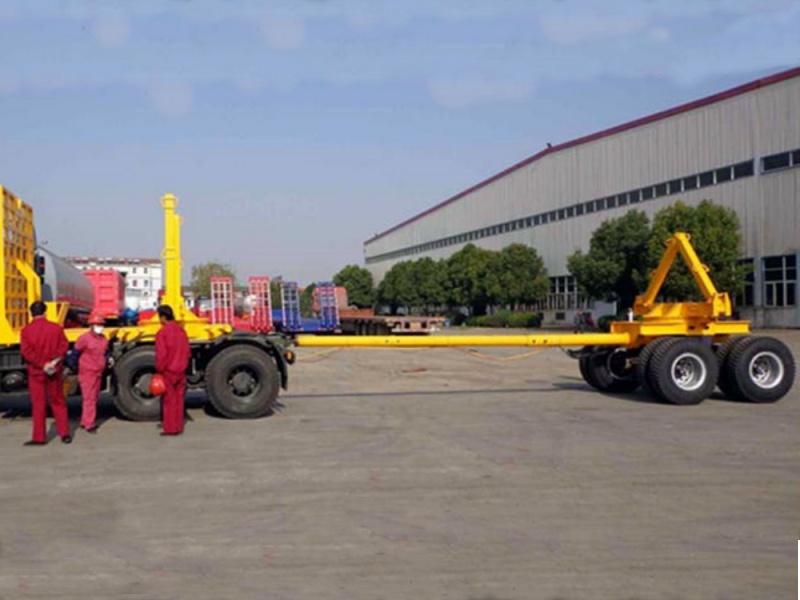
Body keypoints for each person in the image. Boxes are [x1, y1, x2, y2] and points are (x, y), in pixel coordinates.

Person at [20, 301, 71, 445]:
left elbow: (26, 352)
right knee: (58, 401)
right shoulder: (56, 328)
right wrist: (53, 361)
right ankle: (65, 433)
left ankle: (39, 437)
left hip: (36, 372)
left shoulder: (26, 331)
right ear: (45, 312)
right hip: (54, 370)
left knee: (38, 404)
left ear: (31, 313)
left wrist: (42, 364)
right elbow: (64, 346)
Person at [154, 304, 191, 436]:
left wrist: (159, 370)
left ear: (163, 317)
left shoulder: (162, 333)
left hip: (169, 370)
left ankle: (170, 429)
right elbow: (187, 352)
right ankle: (178, 426)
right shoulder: (182, 331)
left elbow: (161, 354)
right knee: (179, 399)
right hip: (181, 370)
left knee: (169, 400)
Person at [74, 313, 112, 434]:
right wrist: (72, 367)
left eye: (101, 325)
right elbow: (75, 353)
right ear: (91, 325)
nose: (100, 327)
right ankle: (89, 424)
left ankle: (85, 421)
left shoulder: (103, 339)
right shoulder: (84, 338)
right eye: (97, 325)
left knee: (93, 398)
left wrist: (109, 358)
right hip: (87, 371)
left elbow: (105, 352)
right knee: (89, 398)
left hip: (98, 371)